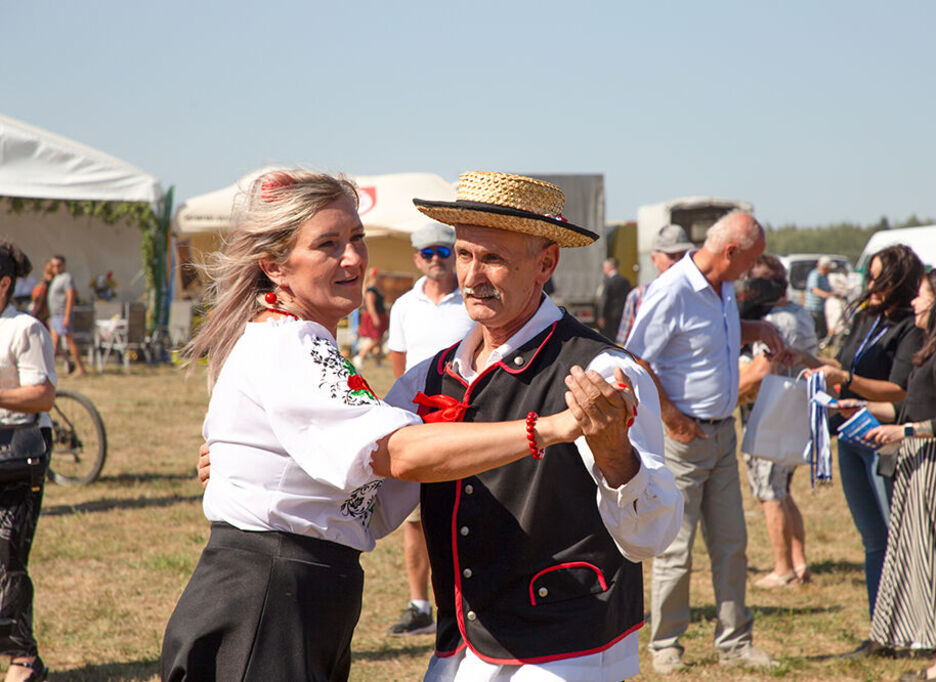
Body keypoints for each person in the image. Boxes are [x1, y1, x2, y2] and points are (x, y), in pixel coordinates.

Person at [162, 169, 633, 681]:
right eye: (328, 244)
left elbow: (374, 490)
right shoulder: (290, 343)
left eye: (356, 238)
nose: (353, 258)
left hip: (296, 594)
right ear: (275, 267)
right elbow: (399, 455)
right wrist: (549, 428)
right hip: (270, 597)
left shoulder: (306, 342)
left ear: (546, 264)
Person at [400, 170, 684, 680]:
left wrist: (618, 456)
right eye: (464, 254)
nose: (471, 275)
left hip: (565, 651)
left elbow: (651, 536)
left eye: (494, 258)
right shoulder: (433, 375)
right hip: (461, 648)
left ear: (545, 263)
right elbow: (371, 492)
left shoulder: (600, 371)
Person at [625, 211, 784, 673]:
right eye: (751, 261)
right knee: (676, 548)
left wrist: (757, 330)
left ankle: (735, 642)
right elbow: (635, 358)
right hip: (685, 438)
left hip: (720, 434)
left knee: (732, 544)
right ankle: (666, 645)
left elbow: (711, 339)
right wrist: (674, 420)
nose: (753, 271)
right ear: (730, 252)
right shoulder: (673, 290)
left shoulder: (725, 287)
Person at [841, 269, 936, 681]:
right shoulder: (930, 352)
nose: (914, 303)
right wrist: (852, 408)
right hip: (924, 461)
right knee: (930, 561)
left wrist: (905, 432)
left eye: (921, 297)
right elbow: (909, 410)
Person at [796, 245, 925, 647]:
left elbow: (899, 389)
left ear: (901, 280)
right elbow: (841, 368)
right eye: (870, 276)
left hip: (884, 440)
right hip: (851, 436)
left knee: (896, 536)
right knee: (873, 539)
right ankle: (880, 631)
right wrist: (806, 361)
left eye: (880, 277)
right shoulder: (867, 316)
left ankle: (910, 628)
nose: (871, 285)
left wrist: (845, 379)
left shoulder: (910, 327)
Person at [384, 222, 474, 637]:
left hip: (469, 425)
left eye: (443, 250)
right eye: (427, 252)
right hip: (423, 425)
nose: (436, 259)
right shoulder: (403, 305)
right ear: (416, 257)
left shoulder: (471, 299)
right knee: (416, 520)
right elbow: (399, 366)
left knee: (471, 514)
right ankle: (420, 606)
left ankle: (471, 603)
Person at [738, 255, 817, 588]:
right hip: (793, 414)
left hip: (768, 416)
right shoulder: (799, 314)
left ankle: (782, 569)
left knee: (769, 493)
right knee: (782, 492)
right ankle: (799, 563)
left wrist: (720, 395)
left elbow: (759, 373)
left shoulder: (773, 321)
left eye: (749, 282)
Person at [0, 241, 57, 682]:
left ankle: (23, 659)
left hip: (17, 449)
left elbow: (43, 395)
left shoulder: (25, 329)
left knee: (7, 555)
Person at [615, 224, 691, 345]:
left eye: (682, 256)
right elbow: (624, 344)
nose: (677, 262)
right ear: (654, 259)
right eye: (671, 256)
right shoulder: (638, 296)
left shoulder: (698, 294)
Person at [46, 255, 85, 377]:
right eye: (53, 265)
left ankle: (80, 368)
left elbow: (70, 296)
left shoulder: (66, 278)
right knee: (54, 344)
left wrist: (67, 316)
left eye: (58, 265)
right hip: (55, 315)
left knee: (69, 341)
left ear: (64, 265)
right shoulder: (55, 278)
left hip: (62, 315)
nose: (56, 268)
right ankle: (49, 371)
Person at [353, 267, 387, 369]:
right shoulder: (371, 290)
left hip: (380, 315)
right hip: (374, 316)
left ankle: (379, 362)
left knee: (379, 340)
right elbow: (370, 305)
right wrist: (375, 317)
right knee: (375, 339)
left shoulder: (377, 289)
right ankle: (359, 356)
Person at [597, 257, 632, 340]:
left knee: (609, 337)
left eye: (605, 267)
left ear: (610, 267)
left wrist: (601, 316)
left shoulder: (607, 281)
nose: (604, 269)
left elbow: (604, 300)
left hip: (609, 315)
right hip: (622, 313)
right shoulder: (625, 281)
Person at [804, 256, 836, 340]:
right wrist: (826, 294)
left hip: (822, 308)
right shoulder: (815, 275)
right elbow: (814, 289)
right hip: (813, 308)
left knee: (822, 330)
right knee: (816, 329)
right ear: (824, 267)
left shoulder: (825, 276)